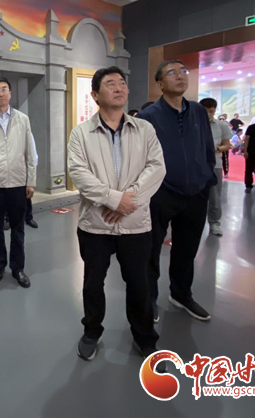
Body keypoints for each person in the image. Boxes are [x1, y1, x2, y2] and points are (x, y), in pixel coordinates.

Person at [68, 67, 165, 363]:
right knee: (92, 283)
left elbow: (156, 167)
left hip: (135, 223)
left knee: (139, 283)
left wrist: (127, 201)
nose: (119, 87)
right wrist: (112, 200)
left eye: (122, 82)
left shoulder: (144, 129)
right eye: (110, 84)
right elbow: (78, 173)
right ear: (95, 95)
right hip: (96, 224)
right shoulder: (81, 133)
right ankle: (92, 332)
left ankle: (144, 336)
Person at [137, 60, 216, 323]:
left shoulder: (198, 111)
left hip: (196, 192)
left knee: (187, 248)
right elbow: (140, 159)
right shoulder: (148, 117)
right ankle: (149, 299)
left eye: (184, 71)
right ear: (160, 84)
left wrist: (207, 176)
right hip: (160, 194)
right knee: (150, 249)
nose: (180, 76)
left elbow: (208, 146)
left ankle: (181, 294)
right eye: (172, 73)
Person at [0, 77, 36, 288]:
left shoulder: (23, 119)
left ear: (10, 93)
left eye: (4, 89)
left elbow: (30, 152)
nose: (0, 93)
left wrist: (31, 181)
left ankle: (17, 268)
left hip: (18, 183)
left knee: (18, 228)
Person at [200, 98, 232, 237]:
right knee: (194, 196)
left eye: (211, 111)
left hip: (215, 164)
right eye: (205, 110)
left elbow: (227, 145)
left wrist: (216, 149)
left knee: (214, 196)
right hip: (196, 165)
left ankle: (214, 222)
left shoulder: (221, 125)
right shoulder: (193, 124)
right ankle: (196, 222)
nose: (209, 113)